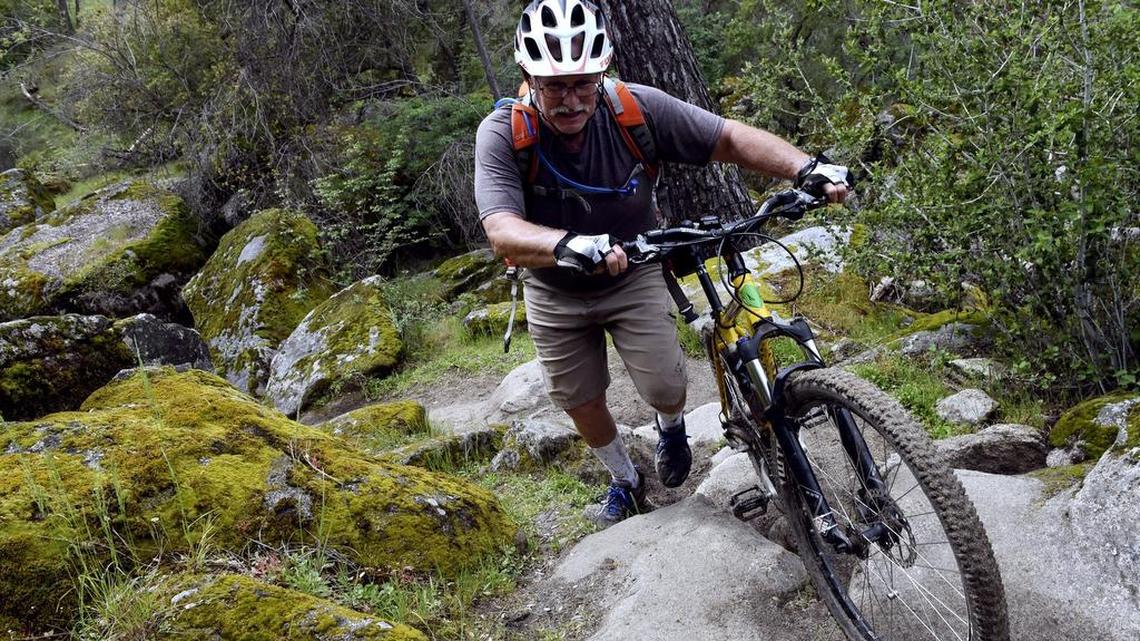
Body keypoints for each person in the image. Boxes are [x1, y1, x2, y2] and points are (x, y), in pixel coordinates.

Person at [474, 0, 850, 527]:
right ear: (527, 76)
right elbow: (500, 229)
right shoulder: (502, 133)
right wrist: (568, 245)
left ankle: (670, 428)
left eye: (584, 83)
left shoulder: (634, 108)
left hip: (635, 267)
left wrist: (805, 167)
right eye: (554, 86)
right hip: (554, 286)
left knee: (667, 387)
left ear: (602, 71)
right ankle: (625, 478)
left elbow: (724, 136)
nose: (571, 100)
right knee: (579, 398)